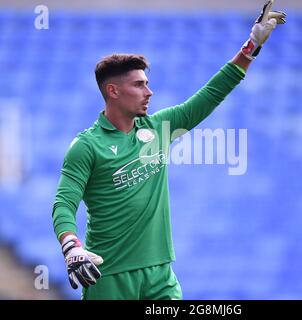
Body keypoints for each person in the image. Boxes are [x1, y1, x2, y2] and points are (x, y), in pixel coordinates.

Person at [52, 0, 286, 300]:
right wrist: (72, 247)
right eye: (139, 85)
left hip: (160, 274)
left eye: (147, 83)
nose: (149, 92)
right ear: (113, 91)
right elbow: (63, 203)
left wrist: (251, 45)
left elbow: (211, 95)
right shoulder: (86, 146)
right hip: (108, 275)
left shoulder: (160, 127)